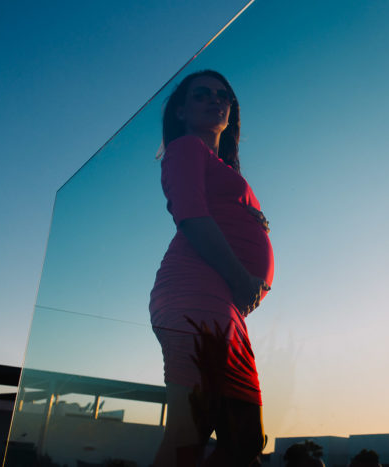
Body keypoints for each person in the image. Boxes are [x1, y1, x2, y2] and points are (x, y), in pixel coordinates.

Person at [149, 69, 274, 466]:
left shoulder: (221, 166)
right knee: (193, 433)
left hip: (220, 303)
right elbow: (190, 215)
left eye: (223, 95)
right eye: (201, 94)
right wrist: (240, 278)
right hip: (198, 291)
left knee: (241, 440)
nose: (215, 99)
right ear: (182, 111)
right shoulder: (186, 147)